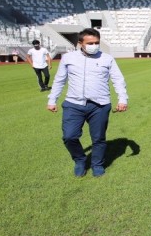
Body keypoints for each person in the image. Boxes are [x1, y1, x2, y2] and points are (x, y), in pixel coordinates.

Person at [47, 28, 128, 178]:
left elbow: (118, 79)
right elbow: (59, 80)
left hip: (100, 105)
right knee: (69, 136)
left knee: (98, 138)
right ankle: (80, 160)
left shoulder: (107, 58)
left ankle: (97, 164)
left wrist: (122, 99)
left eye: (97, 42)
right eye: (90, 43)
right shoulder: (68, 58)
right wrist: (52, 100)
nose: (94, 45)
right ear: (80, 43)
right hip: (73, 104)